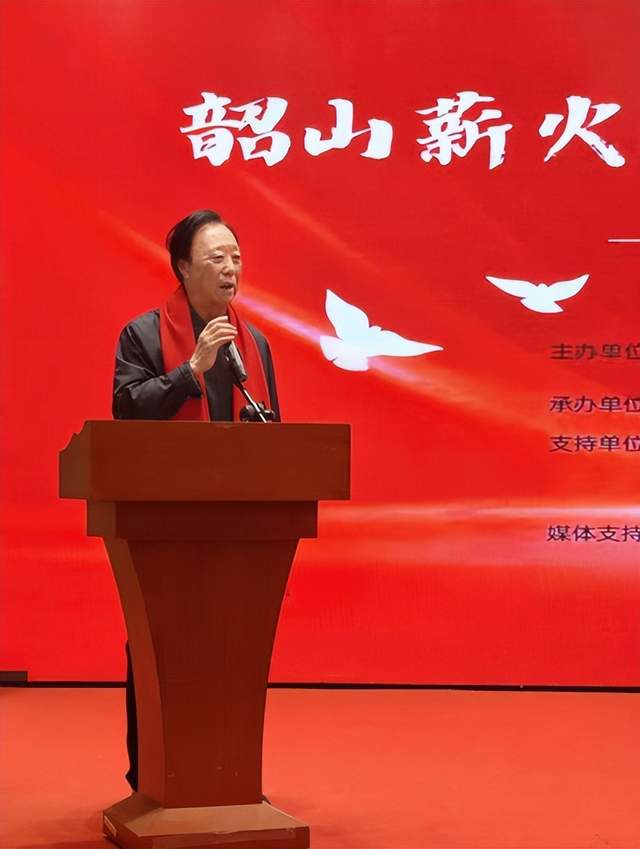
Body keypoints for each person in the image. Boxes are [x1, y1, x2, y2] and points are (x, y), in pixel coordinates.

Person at [112, 209, 280, 790]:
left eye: (236, 257)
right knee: (161, 645)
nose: (230, 268)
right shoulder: (142, 335)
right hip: (162, 525)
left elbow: (274, 434)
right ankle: (154, 776)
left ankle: (225, 773)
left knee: (232, 645)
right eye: (216, 258)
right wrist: (191, 370)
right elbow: (126, 409)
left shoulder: (254, 344)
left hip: (237, 527)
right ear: (183, 267)